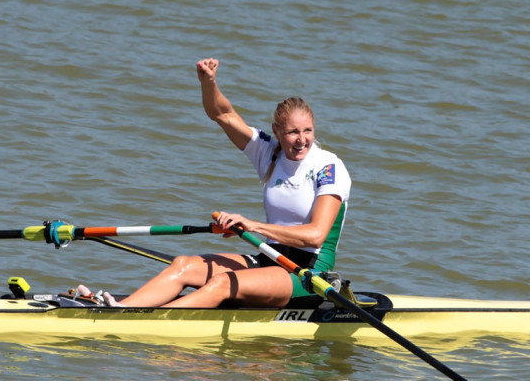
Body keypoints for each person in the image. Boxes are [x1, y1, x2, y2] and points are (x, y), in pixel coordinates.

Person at [78, 58, 351, 308]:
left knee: (222, 283)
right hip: (271, 257)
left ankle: (151, 320)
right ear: (277, 132)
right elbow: (223, 114)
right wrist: (208, 82)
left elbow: (315, 235)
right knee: (183, 264)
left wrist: (252, 225)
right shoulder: (269, 153)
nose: (302, 140)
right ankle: (121, 310)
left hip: (308, 273)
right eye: (292, 132)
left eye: (307, 131)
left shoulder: (328, 167)